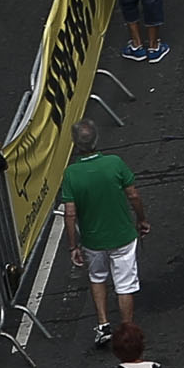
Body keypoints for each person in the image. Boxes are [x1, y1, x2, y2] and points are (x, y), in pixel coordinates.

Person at [60, 121, 146, 342]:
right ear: (96, 140)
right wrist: (142, 219)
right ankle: (127, 330)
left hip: (92, 240)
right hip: (123, 236)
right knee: (125, 283)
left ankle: (103, 325)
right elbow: (134, 196)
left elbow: (70, 214)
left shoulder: (71, 174)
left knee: (97, 278)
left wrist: (72, 246)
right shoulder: (114, 163)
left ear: (75, 144)